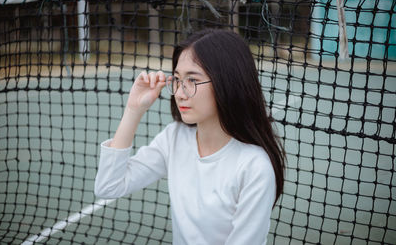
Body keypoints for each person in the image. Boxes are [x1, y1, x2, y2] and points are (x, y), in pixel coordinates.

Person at [95, 29, 286, 245]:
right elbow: (108, 186)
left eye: (192, 80)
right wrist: (133, 108)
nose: (180, 92)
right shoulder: (174, 138)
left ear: (227, 82)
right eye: (177, 80)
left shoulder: (254, 167)